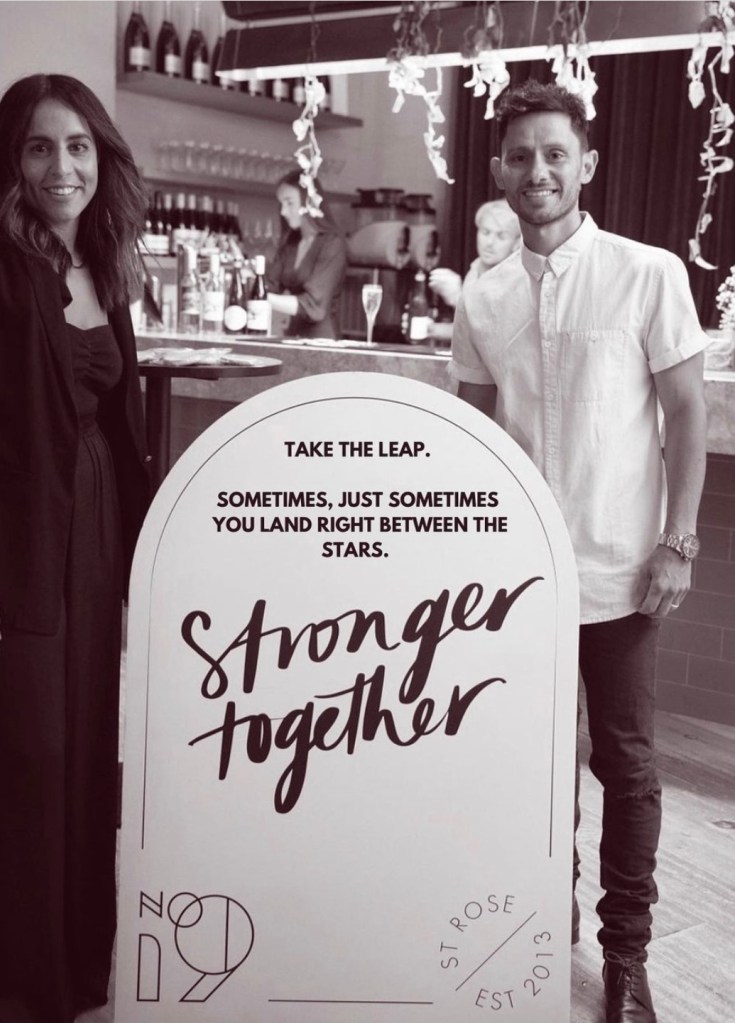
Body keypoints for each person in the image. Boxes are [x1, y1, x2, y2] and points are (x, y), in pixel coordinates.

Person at [452, 80, 708, 1023]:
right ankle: (536, 932)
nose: (538, 171)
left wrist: (677, 540)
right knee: (530, 764)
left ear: (585, 164)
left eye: (554, 153)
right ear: (498, 170)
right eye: (520, 155)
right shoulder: (481, 295)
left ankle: (625, 956)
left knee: (627, 768)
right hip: (515, 580)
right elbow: (472, 438)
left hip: (621, 568)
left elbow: (687, 413)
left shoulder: (647, 273)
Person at [0, 74, 152, 1023]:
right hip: (6, 543)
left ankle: (75, 980)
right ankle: (7, 998)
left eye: (79, 146)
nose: (62, 166)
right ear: (10, 159)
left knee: (88, 764)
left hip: (95, 535)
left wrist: (143, 565)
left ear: (102, 158)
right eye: (41, 146)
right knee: (23, 769)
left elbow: (117, 426)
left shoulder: (105, 261)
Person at [267, 168, 347, 339]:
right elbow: (269, 286)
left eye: (289, 203)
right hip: (292, 336)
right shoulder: (291, 243)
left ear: (309, 202)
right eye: (281, 204)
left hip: (322, 341)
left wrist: (261, 299)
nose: (283, 212)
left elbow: (313, 307)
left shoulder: (332, 244)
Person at [429, 198, 521, 310]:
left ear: (516, 243)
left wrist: (456, 296)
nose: (489, 242)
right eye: (485, 232)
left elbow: (491, 320)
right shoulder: (477, 266)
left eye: (501, 236)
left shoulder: (518, 280)